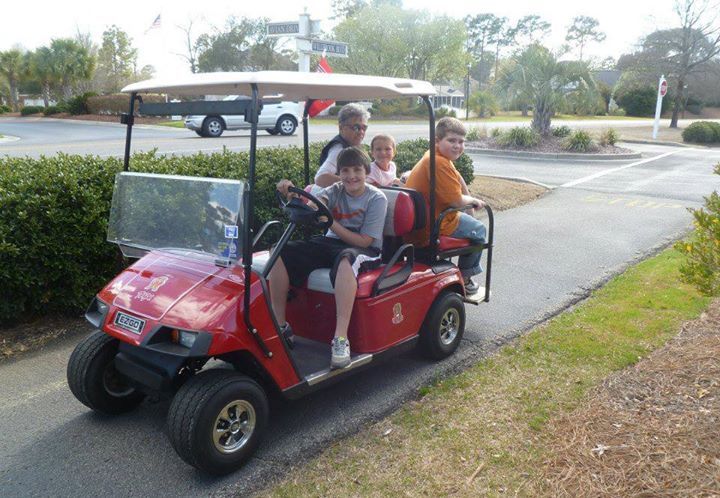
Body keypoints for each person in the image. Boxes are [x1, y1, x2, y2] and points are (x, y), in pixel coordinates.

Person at [270, 146, 388, 368]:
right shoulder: (334, 190)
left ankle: (340, 339)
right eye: (345, 170)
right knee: (279, 251)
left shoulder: (376, 198)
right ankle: (281, 325)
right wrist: (295, 196)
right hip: (332, 243)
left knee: (346, 260)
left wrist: (331, 222)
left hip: (366, 249)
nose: (351, 176)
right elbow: (315, 203)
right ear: (339, 173)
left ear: (366, 172)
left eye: (356, 170)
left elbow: (364, 242)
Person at [404, 117, 487, 294]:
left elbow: (457, 181)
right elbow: (457, 201)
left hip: (425, 218)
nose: (457, 146)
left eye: (461, 141)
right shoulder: (439, 163)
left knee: (472, 224)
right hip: (434, 224)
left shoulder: (433, 156)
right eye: (451, 140)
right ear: (437, 140)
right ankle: (465, 277)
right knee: (479, 230)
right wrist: (474, 201)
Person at [314, 103, 370, 188]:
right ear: (341, 128)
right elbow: (320, 178)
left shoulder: (353, 145)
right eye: (356, 127)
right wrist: (358, 184)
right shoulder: (339, 149)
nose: (361, 132)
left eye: (364, 128)